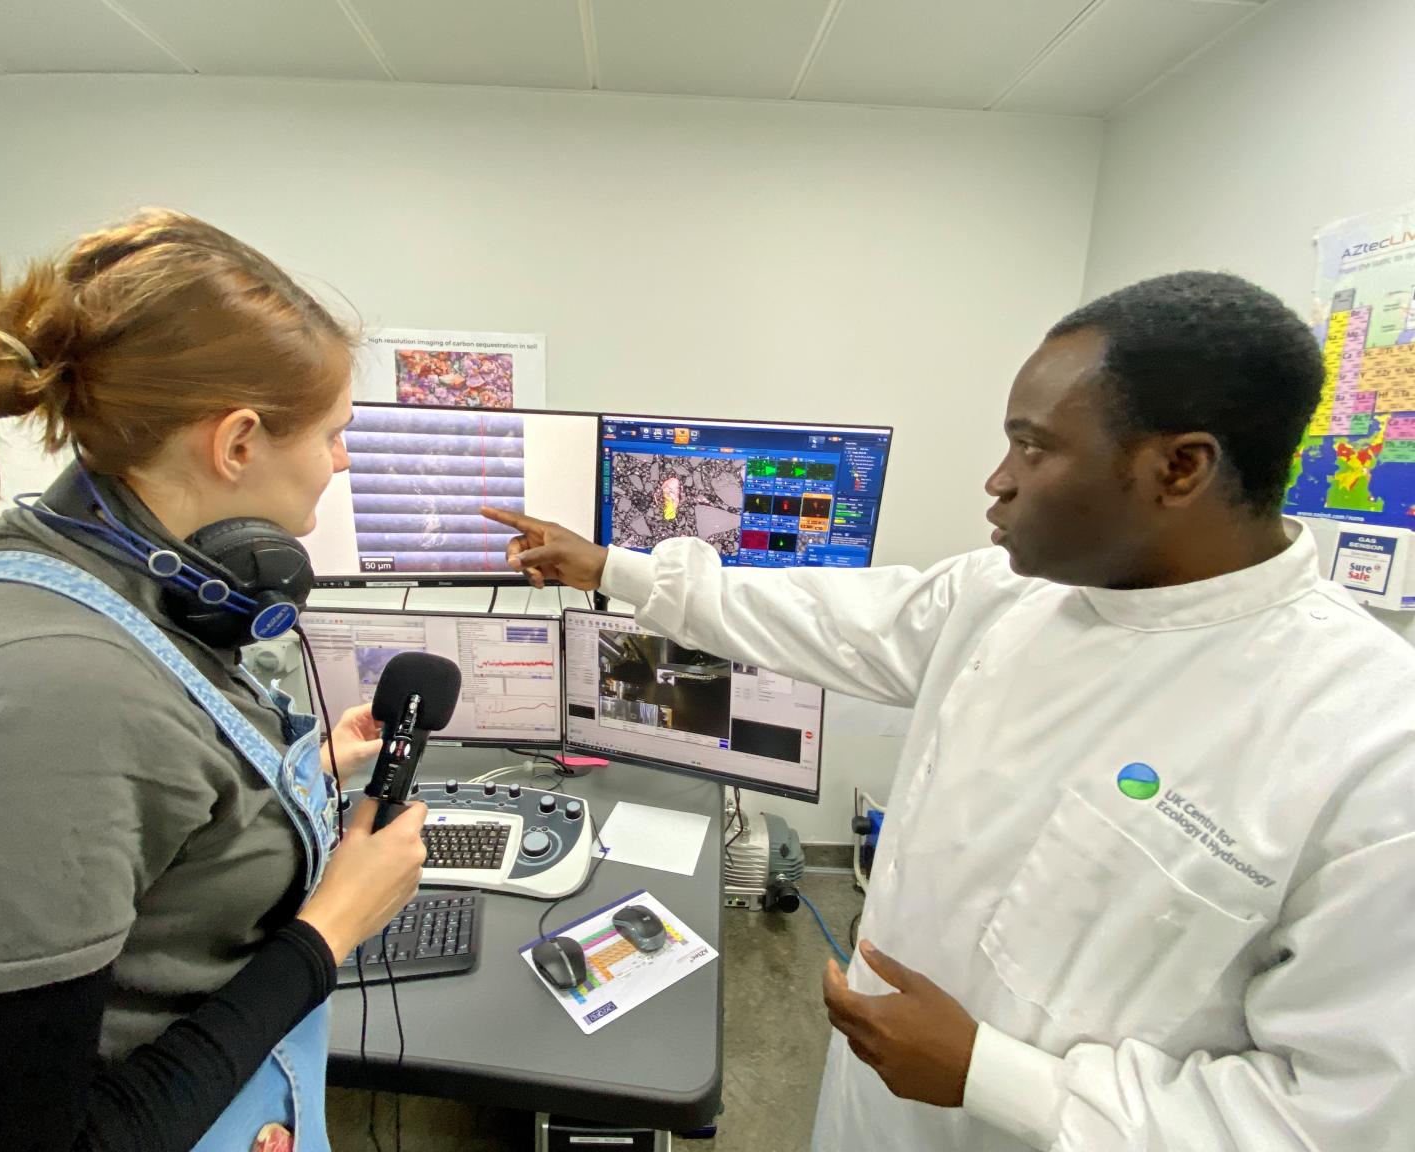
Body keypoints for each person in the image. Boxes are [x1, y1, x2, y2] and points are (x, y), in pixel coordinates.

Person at [484, 272, 1415, 1151]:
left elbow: (1336, 1118)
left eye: (1035, 446)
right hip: (870, 1100)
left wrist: (994, 1077)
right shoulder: (1008, 595)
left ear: (1180, 468)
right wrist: (609, 567)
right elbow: (809, 613)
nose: (998, 481)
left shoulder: (1371, 744)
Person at [0, 209, 429, 1152]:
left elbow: (146, 802)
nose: (340, 461)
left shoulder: (81, 578)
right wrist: (331, 928)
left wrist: (291, 771)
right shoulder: (52, 695)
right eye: (334, 434)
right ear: (239, 442)